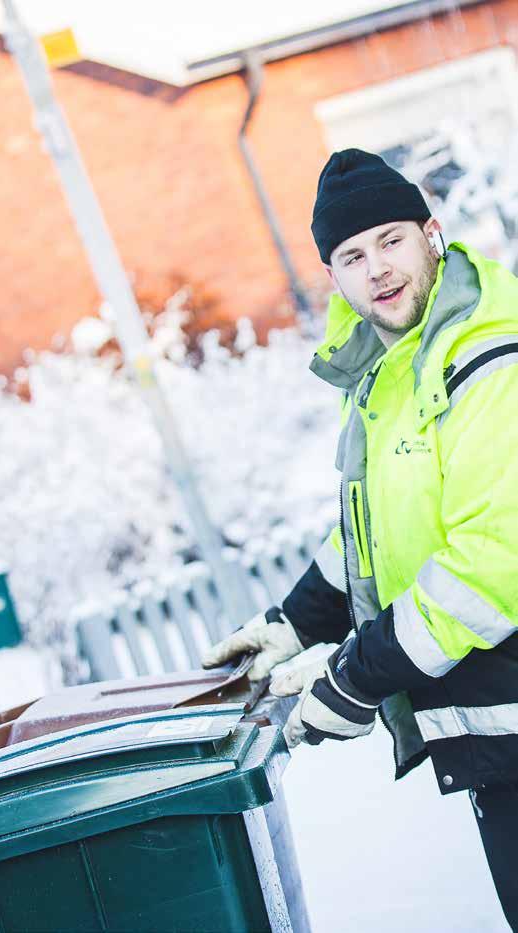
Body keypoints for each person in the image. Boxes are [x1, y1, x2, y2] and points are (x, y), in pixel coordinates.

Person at [202, 148, 518, 930]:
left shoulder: (487, 358)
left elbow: (492, 562)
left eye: (389, 240)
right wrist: (294, 623)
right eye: (351, 254)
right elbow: (376, 530)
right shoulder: (389, 375)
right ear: (333, 278)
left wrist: (353, 677)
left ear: (431, 235)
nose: (375, 267)